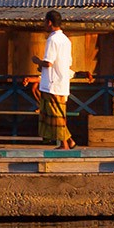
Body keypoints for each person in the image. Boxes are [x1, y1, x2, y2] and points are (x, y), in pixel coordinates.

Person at [32, 9, 75, 150]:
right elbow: (66, 62)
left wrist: (37, 61)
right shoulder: (66, 40)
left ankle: (64, 144)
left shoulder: (52, 39)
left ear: (49, 22)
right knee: (59, 113)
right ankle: (69, 141)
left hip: (52, 84)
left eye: (45, 21)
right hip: (62, 81)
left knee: (55, 115)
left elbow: (48, 62)